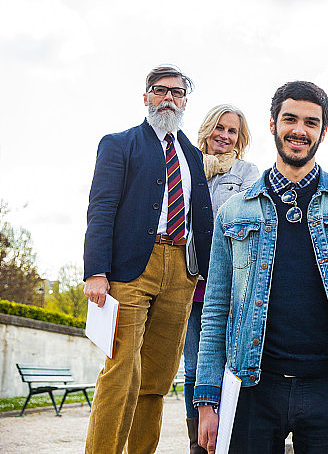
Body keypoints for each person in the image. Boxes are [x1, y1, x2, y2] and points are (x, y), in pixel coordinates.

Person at [194, 81, 328, 454]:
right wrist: (207, 398)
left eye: (311, 122)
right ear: (272, 124)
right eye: (290, 119)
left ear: (323, 131)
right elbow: (216, 308)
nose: (299, 130)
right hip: (253, 386)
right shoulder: (234, 212)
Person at [83, 65, 213, 454]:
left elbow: (201, 218)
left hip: (181, 271)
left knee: (157, 379)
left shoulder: (193, 155)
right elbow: (101, 208)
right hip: (130, 270)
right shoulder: (118, 144)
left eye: (177, 92)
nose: (168, 97)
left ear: (185, 102)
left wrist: (206, 273)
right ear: (146, 98)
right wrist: (96, 271)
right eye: (160, 90)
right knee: (120, 371)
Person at [182, 105, 260, 453]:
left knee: (231, 367)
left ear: (240, 139)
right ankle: (198, 444)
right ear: (207, 129)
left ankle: (228, 437)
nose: (224, 136)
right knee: (193, 369)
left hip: (227, 285)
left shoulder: (246, 172)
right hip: (188, 283)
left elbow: (246, 219)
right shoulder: (186, 167)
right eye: (219, 128)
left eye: (232, 131)